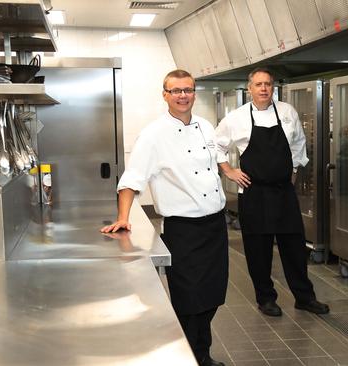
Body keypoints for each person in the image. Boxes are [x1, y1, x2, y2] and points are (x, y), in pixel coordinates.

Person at [100, 69, 228, 366]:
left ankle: (201, 352)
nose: (183, 95)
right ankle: (192, 356)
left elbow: (217, 162)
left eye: (188, 89)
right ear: (165, 95)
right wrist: (123, 216)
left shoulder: (206, 127)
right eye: (176, 91)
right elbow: (132, 178)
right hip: (183, 229)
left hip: (214, 224)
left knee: (212, 295)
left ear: (194, 93)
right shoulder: (153, 134)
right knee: (188, 299)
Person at [215, 67, 329, 317]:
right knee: (258, 250)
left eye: (267, 84)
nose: (264, 89)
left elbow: (299, 142)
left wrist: (295, 169)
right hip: (254, 193)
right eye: (258, 84)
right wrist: (228, 170)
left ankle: (304, 297)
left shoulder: (287, 112)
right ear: (250, 89)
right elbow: (216, 145)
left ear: (273, 87)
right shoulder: (236, 118)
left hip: (283, 192)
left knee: (294, 247)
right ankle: (266, 298)